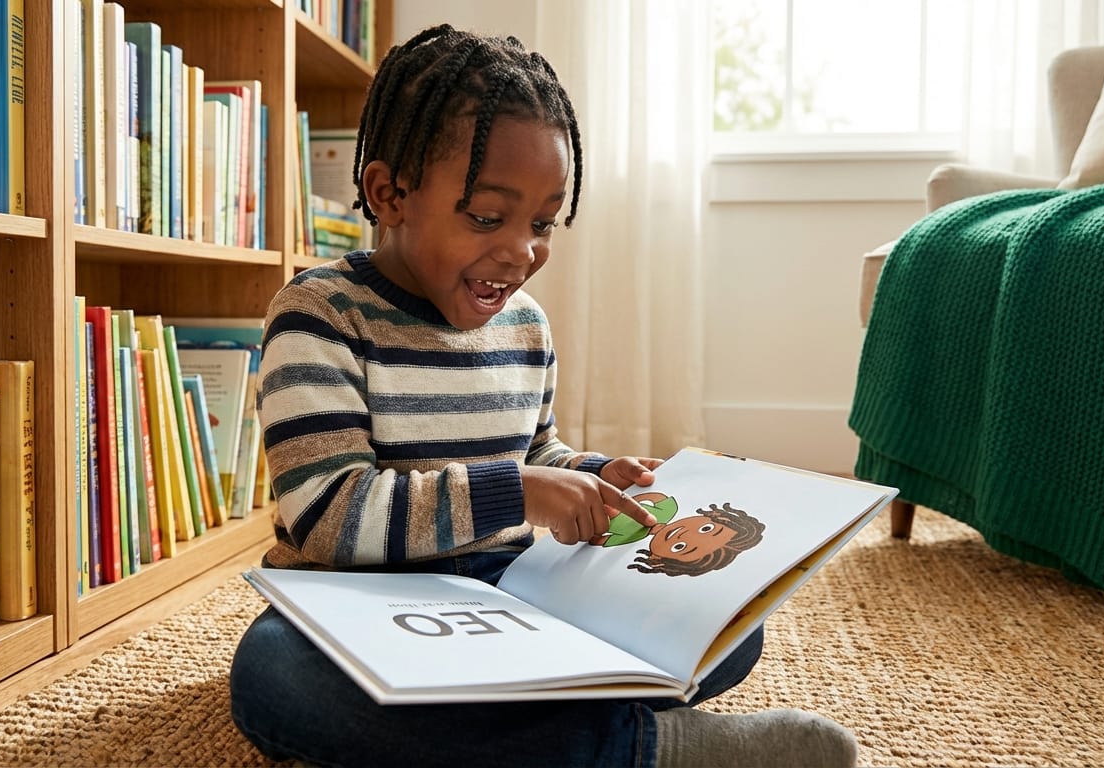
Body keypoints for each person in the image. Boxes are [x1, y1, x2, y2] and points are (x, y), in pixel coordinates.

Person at [229, 23, 858, 768]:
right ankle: (644, 747)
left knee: (730, 630)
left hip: (510, 592)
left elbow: (535, 453)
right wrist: (522, 492)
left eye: (542, 223)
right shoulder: (321, 313)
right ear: (388, 193)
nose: (521, 252)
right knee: (274, 677)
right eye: (488, 218)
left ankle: (524, 724)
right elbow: (328, 516)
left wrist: (593, 476)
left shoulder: (524, 325)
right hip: (366, 608)